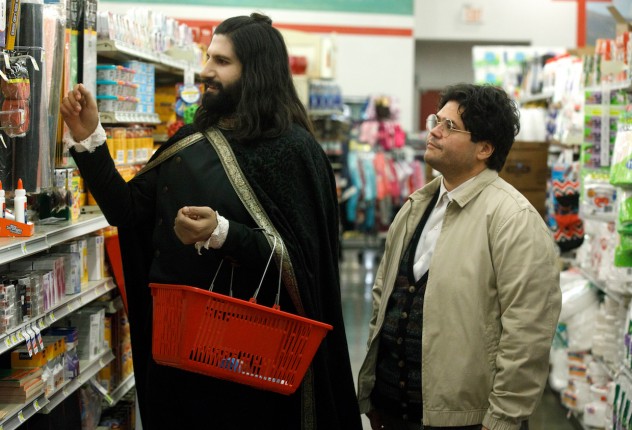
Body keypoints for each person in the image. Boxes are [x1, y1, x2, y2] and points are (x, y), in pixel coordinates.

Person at [60, 12, 362, 430]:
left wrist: (224, 233)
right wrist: (89, 138)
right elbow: (126, 211)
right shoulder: (190, 142)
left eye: (221, 61)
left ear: (255, 71)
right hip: (182, 363)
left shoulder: (295, 151)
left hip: (257, 372)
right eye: (208, 57)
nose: (205, 71)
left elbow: (305, 266)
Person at [357, 83, 562, 430]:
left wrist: (503, 419)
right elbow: (383, 296)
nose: (434, 131)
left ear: (484, 148)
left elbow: (528, 334)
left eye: (449, 126)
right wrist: (374, 393)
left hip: (465, 419)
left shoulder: (514, 221)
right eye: (436, 120)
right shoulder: (415, 207)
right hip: (393, 411)